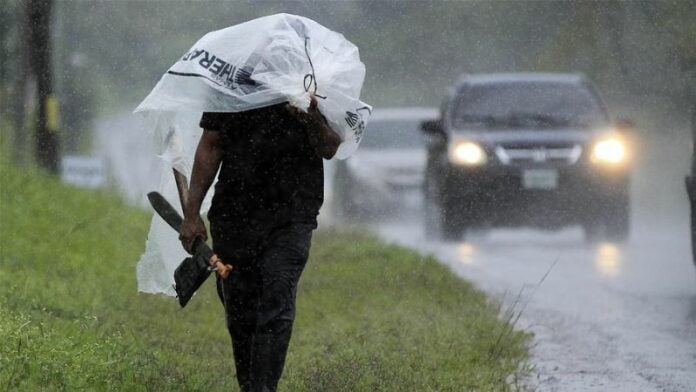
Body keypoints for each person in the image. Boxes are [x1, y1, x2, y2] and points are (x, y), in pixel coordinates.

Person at [179, 96, 340, 392]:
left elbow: (330, 146)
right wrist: (192, 214)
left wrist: (310, 117)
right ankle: (250, 385)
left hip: (292, 217)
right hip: (234, 216)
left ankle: (263, 389)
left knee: (277, 295)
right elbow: (211, 144)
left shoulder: (311, 85)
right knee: (240, 309)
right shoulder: (230, 85)